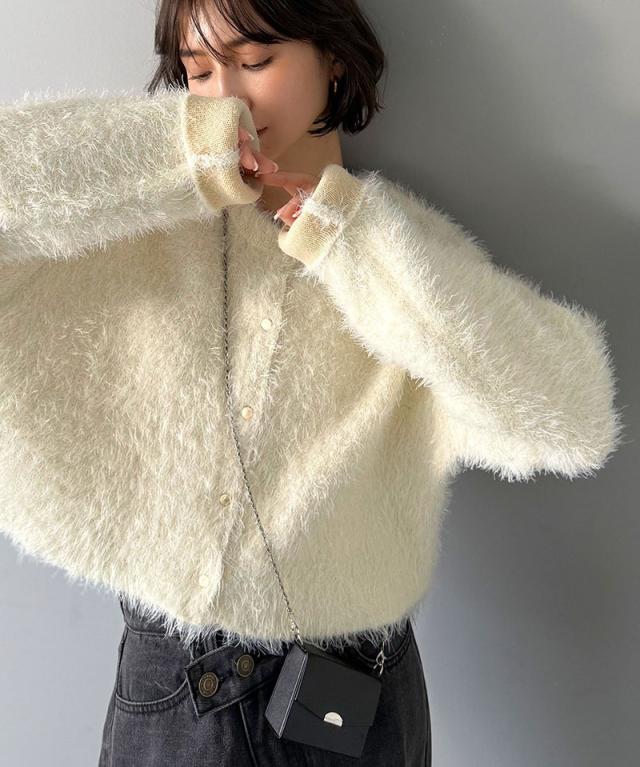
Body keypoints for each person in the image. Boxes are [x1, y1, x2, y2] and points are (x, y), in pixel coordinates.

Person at [0, 1, 623, 765]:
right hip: (179, 688)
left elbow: (572, 421)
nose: (227, 95)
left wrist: (349, 240)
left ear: (332, 57)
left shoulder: (400, 255)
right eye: (198, 73)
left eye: (254, 61)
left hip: (356, 692)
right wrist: (183, 150)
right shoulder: (133, 235)